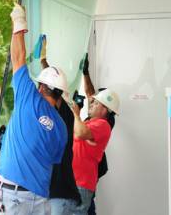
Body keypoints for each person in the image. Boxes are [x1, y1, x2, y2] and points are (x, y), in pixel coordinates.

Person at [0, 4, 68, 214]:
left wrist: (19, 23)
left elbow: (18, 58)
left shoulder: (29, 99)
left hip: (14, 195)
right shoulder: (62, 128)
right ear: (60, 94)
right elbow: (53, 159)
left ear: (41, 87)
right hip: (40, 198)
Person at [37, 36, 82, 215]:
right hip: (59, 193)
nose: (39, 92)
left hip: (60, 194)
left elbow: (53, 87)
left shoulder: (62, 114)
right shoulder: (58, 111)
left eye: (41, 87)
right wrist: (43, 61)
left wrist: (44, 63)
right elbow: (53, 86)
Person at [69, 76, 120, 214]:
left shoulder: (103, 125)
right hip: (74, 181)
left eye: (96, 103)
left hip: (82, 184)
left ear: (105, 110)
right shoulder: (89, 122)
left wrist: (76, 114)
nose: (91, 104)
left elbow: (79, 133)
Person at [81, 54, 115, 215]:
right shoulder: (95, 115)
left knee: (87, 203)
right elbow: (90, 94)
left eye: (97, 102)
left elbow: (89, 94)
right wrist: (85, 72)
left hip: (90, 170)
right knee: (88, 205)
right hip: (84, 172)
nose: (92, 102)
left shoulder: (106, 122)